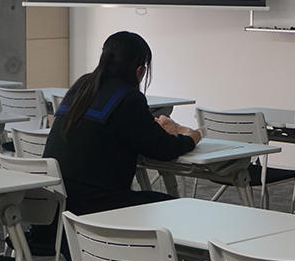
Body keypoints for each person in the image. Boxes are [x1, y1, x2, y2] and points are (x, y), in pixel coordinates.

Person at [44, 31, 202, 216]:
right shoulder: (128, 98)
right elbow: (163, 150)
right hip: (94, 208)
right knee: (184, 210)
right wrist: (191, 137)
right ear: (140, 70)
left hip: (54, 206)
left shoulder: (82, 85)